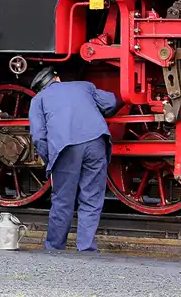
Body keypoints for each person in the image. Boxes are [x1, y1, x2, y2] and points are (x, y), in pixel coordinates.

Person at [27, 66, 119, 252]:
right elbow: (110, 103)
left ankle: (54, 247)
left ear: (40, 87)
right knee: (92, 197)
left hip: (65, 148)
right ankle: (86, 248)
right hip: (96, 142)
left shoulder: (39, 99)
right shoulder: (83, 86)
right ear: (57, 78)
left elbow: (38, 136)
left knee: (63, 200)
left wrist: (50, 158)